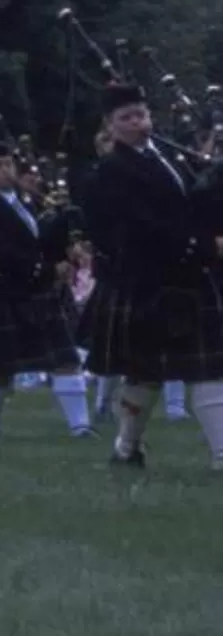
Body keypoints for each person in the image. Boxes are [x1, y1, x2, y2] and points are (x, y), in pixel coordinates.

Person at [77, 85, 223, 469]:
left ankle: (216, 453)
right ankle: (126, 448)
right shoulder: (111, 172)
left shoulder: (169, 157)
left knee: (206, 368)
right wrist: (205, 247)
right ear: (110, 126)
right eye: (127, 118)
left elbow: (194, 205)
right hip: (148, 282)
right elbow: (142, 229)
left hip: (185, 277)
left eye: (141, 114)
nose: (138, 123)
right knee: (146, 375)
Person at [0, 142, 88, 440]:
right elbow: (1, 254)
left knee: (66, 359)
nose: (6, 171)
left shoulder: (29, 203)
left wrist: (64, 225)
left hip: (41, 292)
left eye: (8, 164)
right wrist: (47, 270)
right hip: (6, 292)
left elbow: (42, 243)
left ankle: (80, 426)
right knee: (0, 370)